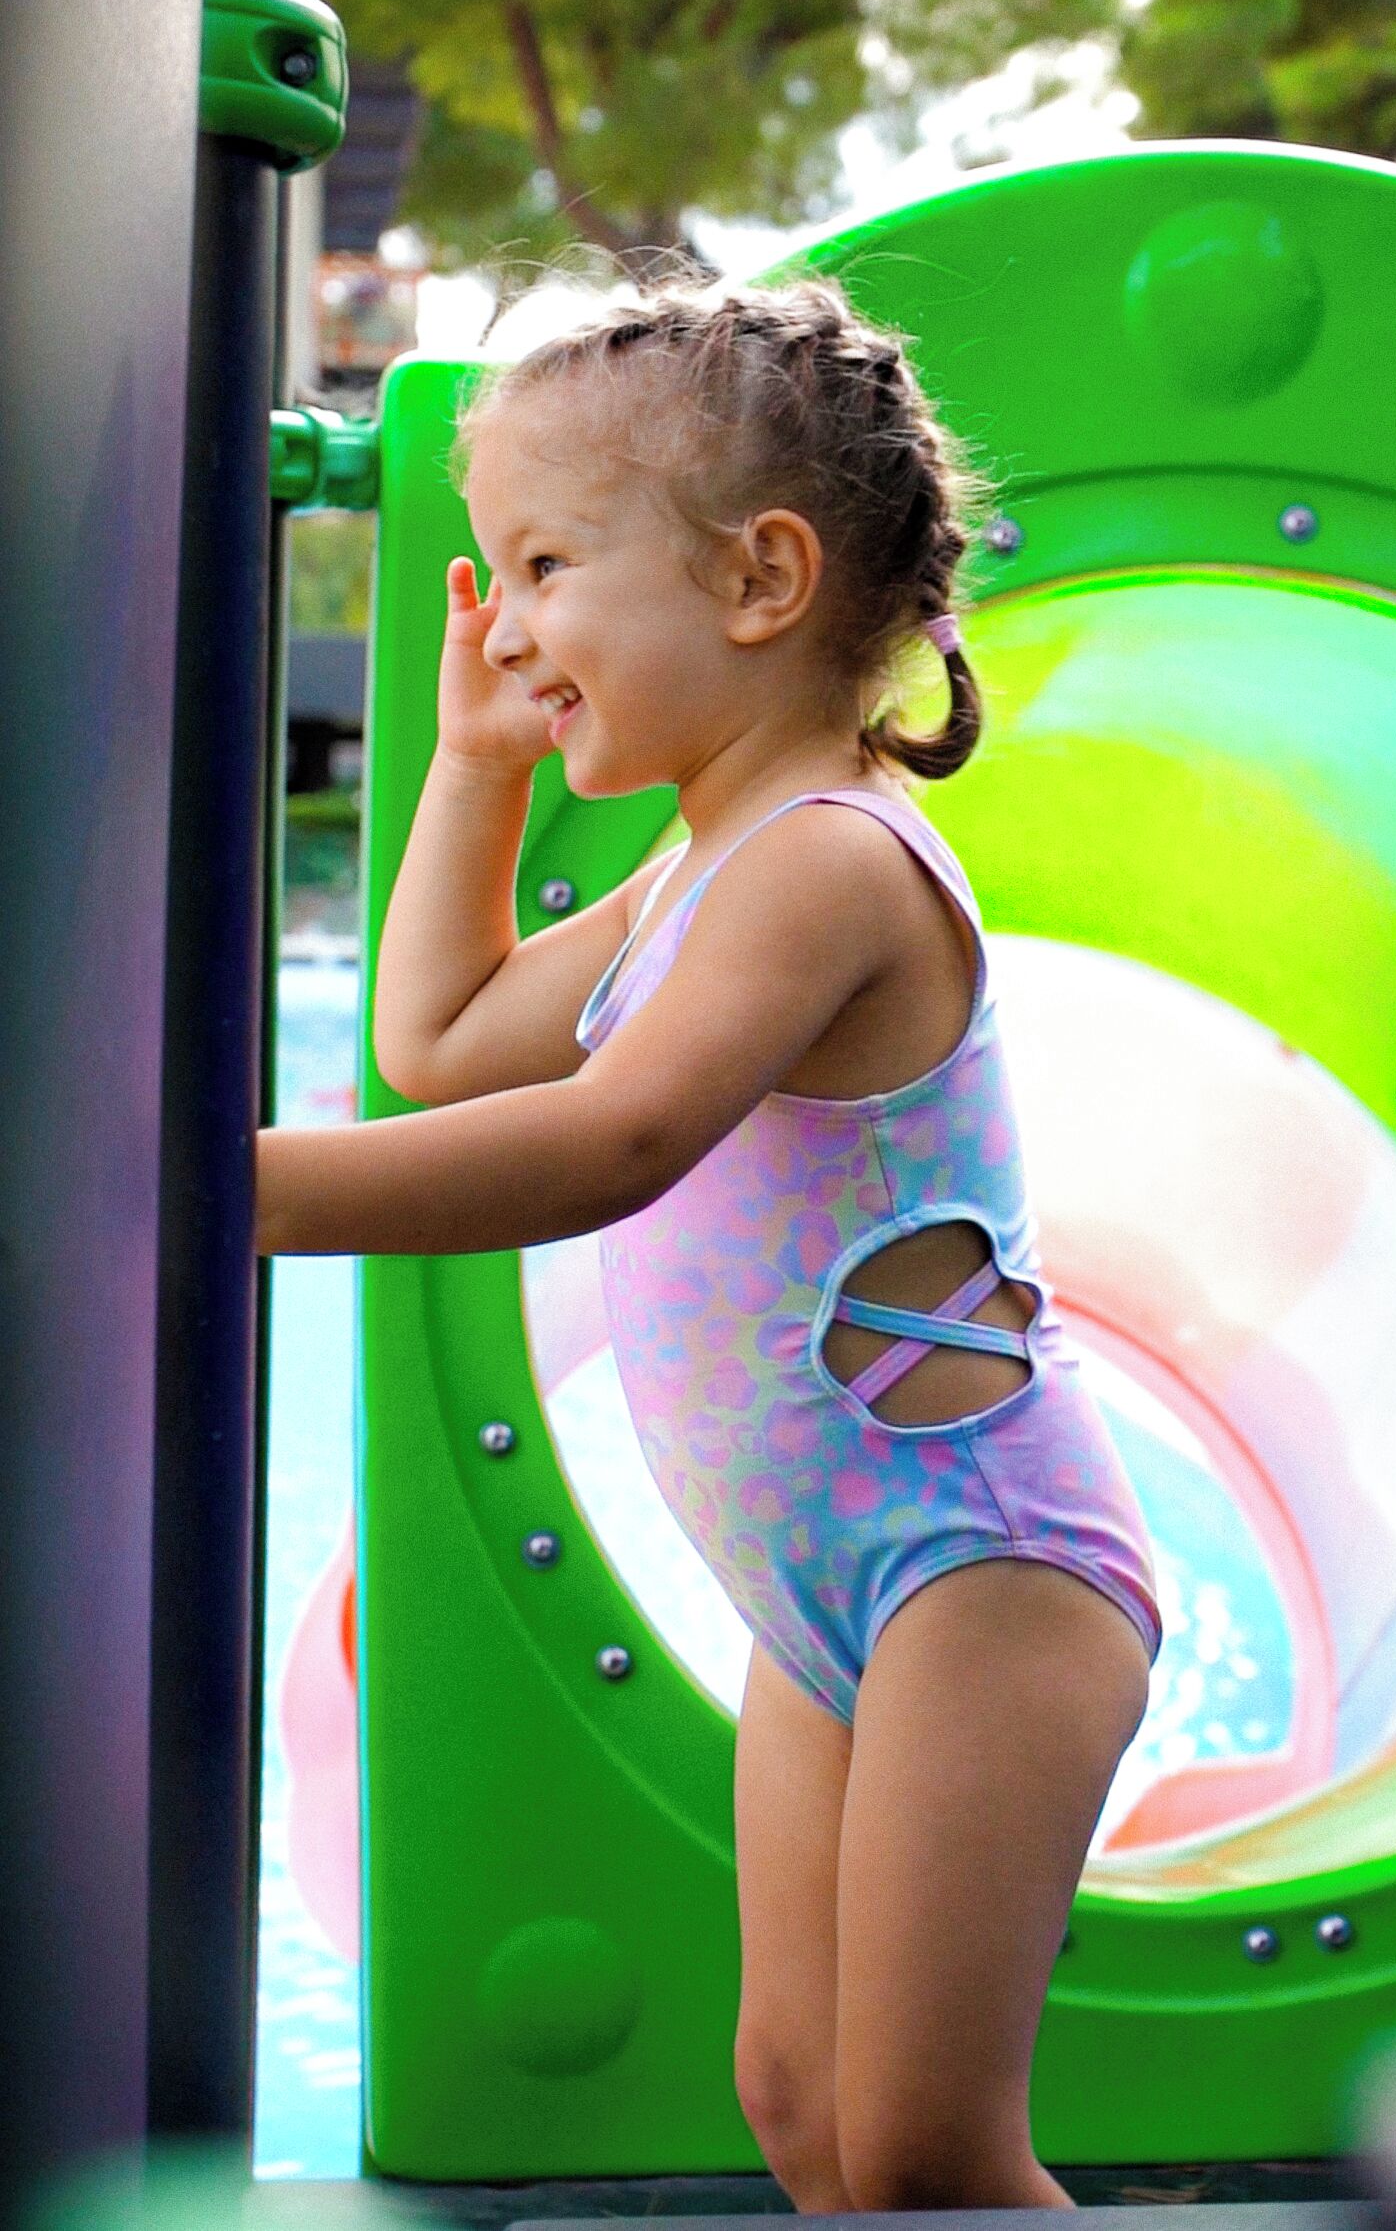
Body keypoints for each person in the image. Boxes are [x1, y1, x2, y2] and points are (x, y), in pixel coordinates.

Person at [256, 275, 1163, 2215]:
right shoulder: (705, 857)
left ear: (759, 579)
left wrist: (220, 1189)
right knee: (797, 2102)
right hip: (830, 1595)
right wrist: (479, 765)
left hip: (978, 1568)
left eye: (546, 562)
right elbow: (438, 1043)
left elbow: (609, 1139)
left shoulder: (828, 860)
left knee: (926, 2146)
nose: (502, 622)